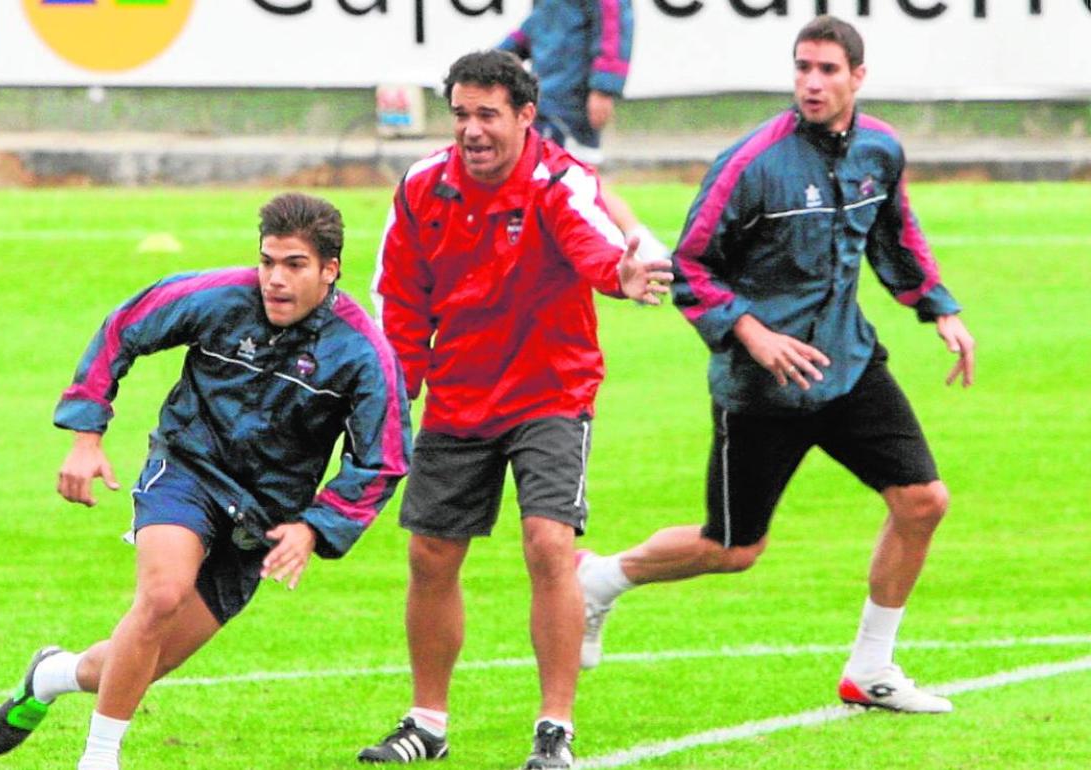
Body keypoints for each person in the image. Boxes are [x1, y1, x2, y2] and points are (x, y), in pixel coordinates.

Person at [576, 15, 976, 714]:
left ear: (859, 76)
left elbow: (893, 233)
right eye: (802, 68)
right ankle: (599, 581)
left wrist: (939, 307)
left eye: (827, 70)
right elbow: (690, 269)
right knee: (732, 549)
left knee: (922, 501)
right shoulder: (750, 164)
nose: (812, 83)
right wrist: (753, 334)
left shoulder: (880, 149)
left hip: (847, 365)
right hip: (759, 387)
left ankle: (871, 668)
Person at [0, 192, 412, 770]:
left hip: (262, 518)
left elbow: (382, 458)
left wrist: (315, 527)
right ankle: (99, 759)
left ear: (331, 270)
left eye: (295, 265)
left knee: (140, 661)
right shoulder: (217, 297)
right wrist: (87, 435)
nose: (275, 279)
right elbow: (124, 328)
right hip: (186, 469)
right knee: (161, 596)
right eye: (268, 261)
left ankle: (52, 674)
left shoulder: (363, 352)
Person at [356, 50, 672, 769]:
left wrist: (620, 277)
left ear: (525, 117)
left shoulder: (560, 182)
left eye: (487, 115)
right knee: (430, 554)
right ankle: (426, 723)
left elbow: (595, 246)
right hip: (460, 391)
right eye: (461, 114)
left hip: (551, 391)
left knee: (548, 546)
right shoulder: (422, 186)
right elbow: (401, 294)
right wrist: (397, 387)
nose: (471, 130)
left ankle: (553, 730)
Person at [497, 0, 668, 263]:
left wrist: (603, 87)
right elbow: (539, 25)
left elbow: (614, 29)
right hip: (547, 95)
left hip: (572, 97)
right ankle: (636, 246)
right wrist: (495, 59)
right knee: (556, 178)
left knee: (577, 180)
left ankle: (638, 246)